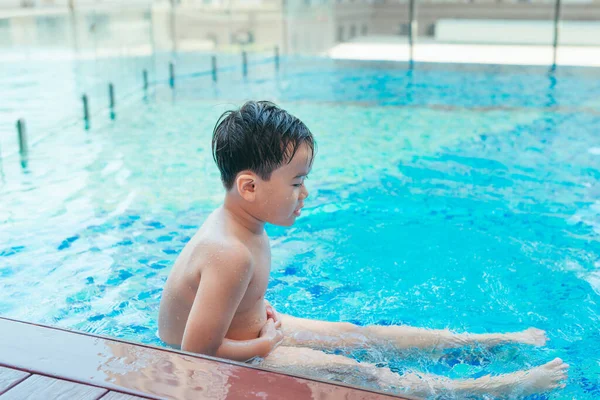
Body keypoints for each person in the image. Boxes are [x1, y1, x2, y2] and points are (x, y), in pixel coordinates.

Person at [158, 100, 568, 398]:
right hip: (248, 354)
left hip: (258, 333)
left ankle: (490, 340)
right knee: (370, 375)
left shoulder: (243, 225)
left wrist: (257, 316)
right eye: (297, 182)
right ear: (249, 186)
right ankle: (497, 387)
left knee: (361, 335)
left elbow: (225, 306)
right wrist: (264, 345)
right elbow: (198, 352)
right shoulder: (229, 251)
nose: (306, 193)